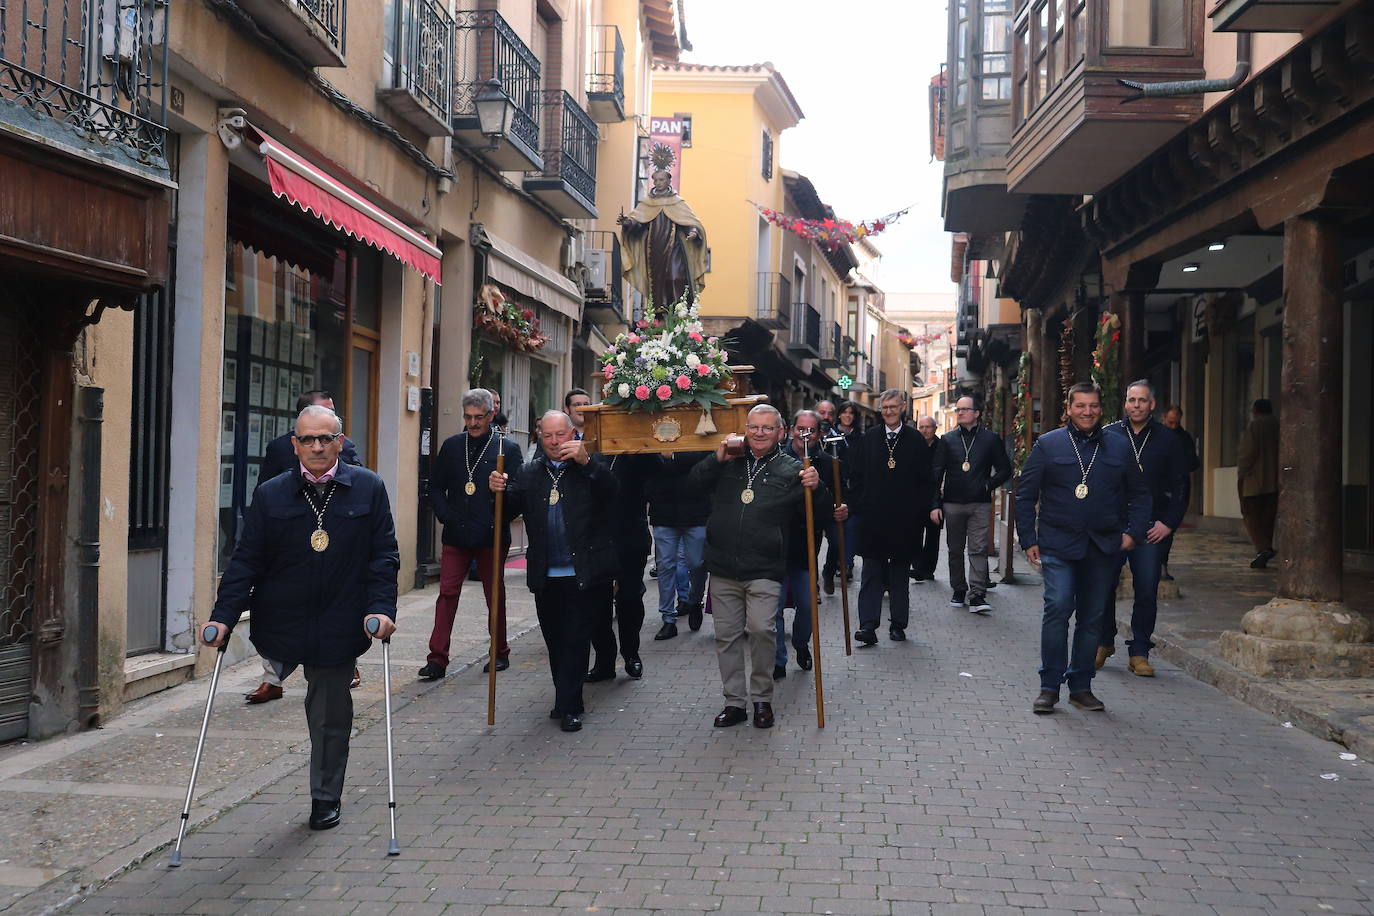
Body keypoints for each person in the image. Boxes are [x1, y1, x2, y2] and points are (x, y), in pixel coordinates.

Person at [205, 405, 398, 830]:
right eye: (307, 439)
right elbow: (245, 562)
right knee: (283, 685)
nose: (316, 447)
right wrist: (223, 618)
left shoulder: (368, 488)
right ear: (294, 445)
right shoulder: (271, 493)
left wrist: (381, 609)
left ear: (340, 443)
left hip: (340, 620)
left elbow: (383, 557)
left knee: (330, 714)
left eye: (325, 439)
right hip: (282, 618)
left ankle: (324, 797)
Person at [1016, 383, 1150, 715]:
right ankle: (1049, 686)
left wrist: (1133, 534)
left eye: (1092, 406)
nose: (1087, 412)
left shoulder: (1119, 446)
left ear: (1100, 408)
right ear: (1069, 407)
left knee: (1092, 618)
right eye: (1080, 406)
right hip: (1058, 543)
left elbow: (1140, 495)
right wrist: (1028, 539)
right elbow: (1026, 495)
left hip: (1104, 545)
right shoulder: (1048, 444)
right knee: (1058, 607)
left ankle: (1081, 686)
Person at [689, 404, 821, 728]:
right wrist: (715, 458)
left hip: (765, 566)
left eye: (766, 428)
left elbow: (817, 513)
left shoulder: (793, 468)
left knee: (763, 630)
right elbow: (692, 485)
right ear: (746, 429)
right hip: (722, 565)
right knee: (727, 636)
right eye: (753, 427)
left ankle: (762, 698)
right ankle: (734, 703)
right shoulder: (728, 459)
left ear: (780, 432)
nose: (759, 433)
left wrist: (817, 487)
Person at [490, 411, 618, 732]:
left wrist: (588, 463)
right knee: (555, 640)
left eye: (560, 434)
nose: (554, 442)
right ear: (539, 437)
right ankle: (564, 695)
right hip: (545, 573)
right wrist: (498, 491)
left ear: (572, 434)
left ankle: (570, 705)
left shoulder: (591, 465)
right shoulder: (529, 472)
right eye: (547, 436)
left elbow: (614, 495)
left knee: (576, 638)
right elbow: (506, 512)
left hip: (582, 571)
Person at [248, 389, 363, 704]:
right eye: (323, 413)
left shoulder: (346, 445)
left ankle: (346, 665)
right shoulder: (278, 448)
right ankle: (272, 679)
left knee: (338, 606)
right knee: (278, 608)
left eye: (332, 417)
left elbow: (356, 486)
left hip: (332, 537)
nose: (319, 445)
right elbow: (263, 493)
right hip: (290, 542)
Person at [419, 389, 524, 680]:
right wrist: (446, 516)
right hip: (456, 533)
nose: (473, 423)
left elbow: (518, 497)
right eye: (468, 417)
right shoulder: (453, 446)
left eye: (479, 417)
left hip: (490, 533)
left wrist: (501, 492)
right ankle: (437, 659)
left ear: (491, 415)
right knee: (447, 594)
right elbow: (436, 487)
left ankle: (499, 651)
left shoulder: (508, 449)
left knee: (494, 595)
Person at [1096, 381, 1189, 677]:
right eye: (1131, 400)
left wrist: (1169, 523)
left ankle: (1139, 652)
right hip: (1114, 525)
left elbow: (1181, 486)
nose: (1136, 405)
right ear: (1125, 404)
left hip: (1152, 527)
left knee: (1146, 589)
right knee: (1103, 586)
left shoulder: (1168, 440)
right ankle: (1103, 640)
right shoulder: (1109, 435)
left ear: (1152, 405)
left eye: (1142, 400)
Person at [850, 389, 933, 646]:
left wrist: (919, 513)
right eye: (884, 407)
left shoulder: (916, 440)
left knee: (899, 576)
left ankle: (898, 624)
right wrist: (859, 506)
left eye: (893, 407)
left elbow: (925, 481)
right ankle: (867, 625)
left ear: (903, 408)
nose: (888, 411)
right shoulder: (870, 438)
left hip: (905, 521)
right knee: (871, 573)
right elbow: (857, 476)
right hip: (873, 519)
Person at [773, 410, 845, 679]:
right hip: (776, 542)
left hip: (805, 543)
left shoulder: (827, 463)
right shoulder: (775, 458)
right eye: (800, 429)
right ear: (792, 429)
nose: (804, 435)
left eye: (810, 430)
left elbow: (834, 501)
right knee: (775, 607)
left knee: (806, 604)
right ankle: (778, 659)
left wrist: (839, 509)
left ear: (818, 433)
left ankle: (801, 643)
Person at [930, 396, 1013, 613]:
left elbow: (1005, 469)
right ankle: (959, 589)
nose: (960, 413)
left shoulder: (990, 439)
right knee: (955, 549)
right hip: (952, 503)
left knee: (978, 549)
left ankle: (977, 595)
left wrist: (988, 486)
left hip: (980, 504)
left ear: (977, 413)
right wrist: (935, 504)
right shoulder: (947, 439)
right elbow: (937, 474)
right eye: (958, 409)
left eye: (965, 409)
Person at [587, 452, 653, 681]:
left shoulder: (636, 452)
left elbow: (658, 469)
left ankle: (631, 653)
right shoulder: (587, 450)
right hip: (596, 540)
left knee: (630, 599)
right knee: (596, 604)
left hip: (631, 537)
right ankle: (604, 661)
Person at [618, 167, 709, 310]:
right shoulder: (647, 203)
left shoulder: (677, 202)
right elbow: (639, 223)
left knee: (676, 277)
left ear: (668, 180)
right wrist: (628, 223)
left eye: (661, 180)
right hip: (653, 248)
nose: (658, 183)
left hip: (675, 248)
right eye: (655, 180)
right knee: (658, 281)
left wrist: (693, 232)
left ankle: (679, 310)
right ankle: (661, 311)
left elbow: (690, 222)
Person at [645, 450, 711, 639]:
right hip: (663, 509)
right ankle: (668, 618)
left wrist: (672, 457)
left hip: (696, 509)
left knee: (697, 563)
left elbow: (704, 456)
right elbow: (651, 462)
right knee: (665, 565)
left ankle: (695, 600)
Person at [815, 399, 856, 596]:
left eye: (830, 413)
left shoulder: (841, 440)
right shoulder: (808, 439)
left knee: (837, 542)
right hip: (812, 502)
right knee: (811, 546)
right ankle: (811, 585)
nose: (826, 417)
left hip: (833, 500)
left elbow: (847, 469)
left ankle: (829, 571)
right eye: (822, 413)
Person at [1237, 398, 1280, 569]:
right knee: (1267, 518)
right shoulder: (1279, 426)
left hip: (1254, 481)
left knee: (1251, 515)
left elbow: (1247, 453)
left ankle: (1263, 548)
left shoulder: (1254, 427)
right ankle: (1265, 548)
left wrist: (1241, 473)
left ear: (1255, 411)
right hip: (1274, 481)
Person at [1158, 404, 1199, 580]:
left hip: (1176, 488)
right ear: (1163, 418)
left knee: (1168, 528)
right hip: (1156, 487)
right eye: (1170, 422)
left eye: (1176, 423)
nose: (1173, 426)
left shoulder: (1184, 438)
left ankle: (1162, 565)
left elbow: (1193, 462)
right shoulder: (1154, 435)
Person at [911, 416, 944, 583]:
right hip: (917, 498)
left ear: (935, 429)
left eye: (928, 427)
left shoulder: (942, 447)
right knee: (915, 534)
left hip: (936, 498)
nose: (924, 430)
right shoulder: (913, 446)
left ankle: (928, 570)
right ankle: (918, 568)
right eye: (921, 427)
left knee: (933, 537)